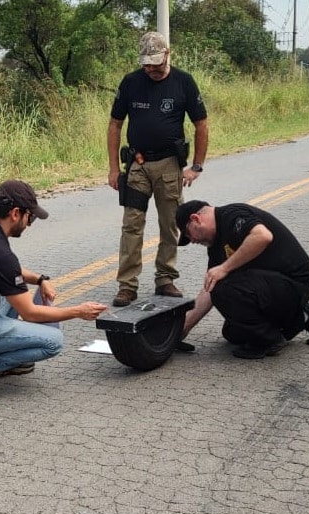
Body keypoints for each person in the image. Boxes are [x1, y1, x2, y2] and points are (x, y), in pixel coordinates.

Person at [0, 179, 108, 397]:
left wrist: (40, 279)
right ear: (15, 213)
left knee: (15, 292)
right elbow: (30, 313)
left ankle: (3, 358)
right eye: (29, 217)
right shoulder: (0, 255)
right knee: (53, 341)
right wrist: (78, 312)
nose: (29, 223)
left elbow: (5, 271)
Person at [107, 31, 209, 307]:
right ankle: (127, 286)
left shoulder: (183, 82)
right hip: (137, 166)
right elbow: (115, 124)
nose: (150, 69)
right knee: (132, 225)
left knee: (171, 224)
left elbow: (201, 123)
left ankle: (165, 279)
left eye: (155, 63)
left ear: (167, 54)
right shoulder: (130, 82)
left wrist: (197, 165)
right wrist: (114, 168)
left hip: (169, 167)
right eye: (146, 64)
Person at [174, 200, 309, 359]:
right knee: (233, 333)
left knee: (224, 290)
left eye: (188, 234)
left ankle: (270, 341)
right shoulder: (215, 244)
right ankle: (305, 316)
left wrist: (224, 268)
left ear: (195, 219)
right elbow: (210, 287)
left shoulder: (232, 216)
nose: (192, 240)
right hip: (272, 288)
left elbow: (263, 236)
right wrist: (184, 327)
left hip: (295, 284)